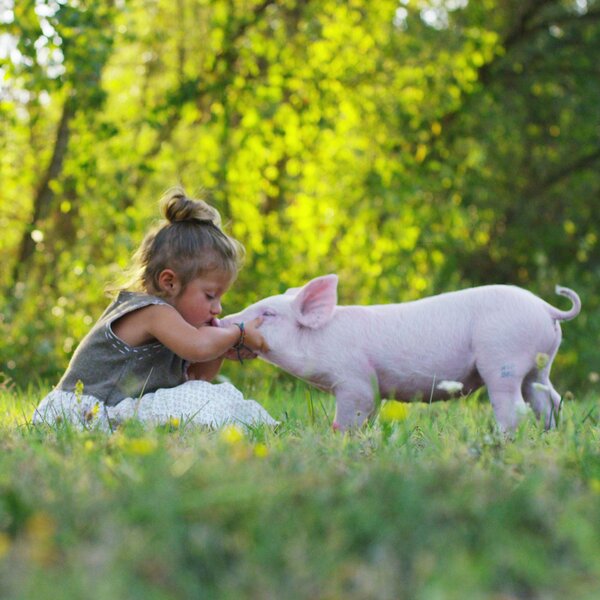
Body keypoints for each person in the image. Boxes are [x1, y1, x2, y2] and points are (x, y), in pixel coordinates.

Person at [33, 187, 277, 430]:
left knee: (207, 394)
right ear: (169, 282)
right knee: (204, 399)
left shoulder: (181, 326)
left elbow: (198, 378)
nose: (218, 308)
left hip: (114, 412)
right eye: (210, 296)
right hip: (83, 414)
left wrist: (223, 346)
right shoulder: (152, 312)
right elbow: (199, 348)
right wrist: (238, 333)